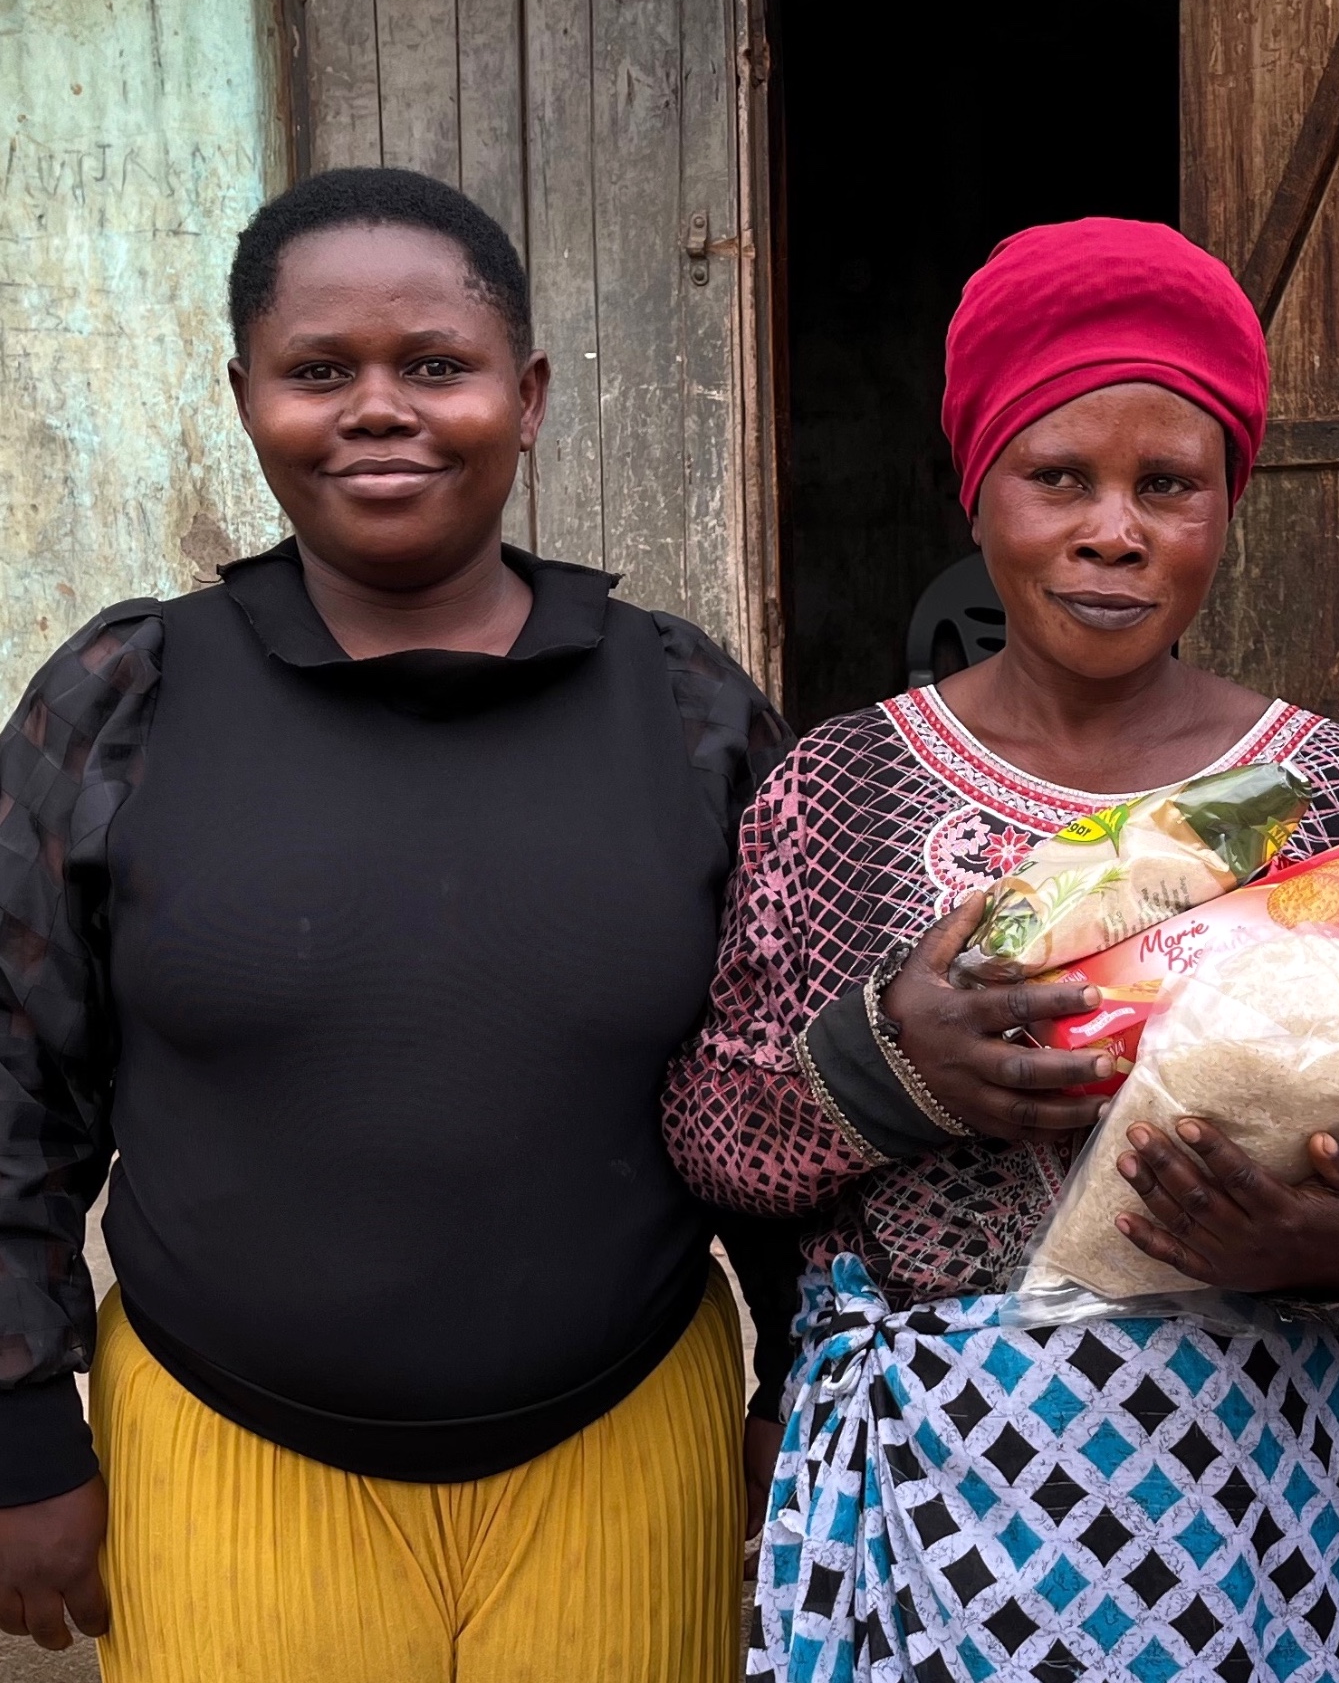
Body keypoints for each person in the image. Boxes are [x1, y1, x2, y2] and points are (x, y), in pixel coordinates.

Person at [662, 215, 1339, 1683]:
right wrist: (889, 1069)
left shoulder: (1322, 795)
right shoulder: (841, 788)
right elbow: (709, 1131)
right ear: (979, 492)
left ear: (1225, 504)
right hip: (935, 1500)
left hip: (1249, 1492)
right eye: (1057, 476)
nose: (1112, 528)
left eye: (1167, 486)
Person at [0, 168, 792, 1680]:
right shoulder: (124, 703)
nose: (379, 408)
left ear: (529, 392)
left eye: (435, 363)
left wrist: (799, 1390)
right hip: (228, 1446)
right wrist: (19, 1426)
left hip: (624, 1445)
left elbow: (775, 1096)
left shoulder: (686, 712)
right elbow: (7, 1084)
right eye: (319, 372)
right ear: (245, 400)